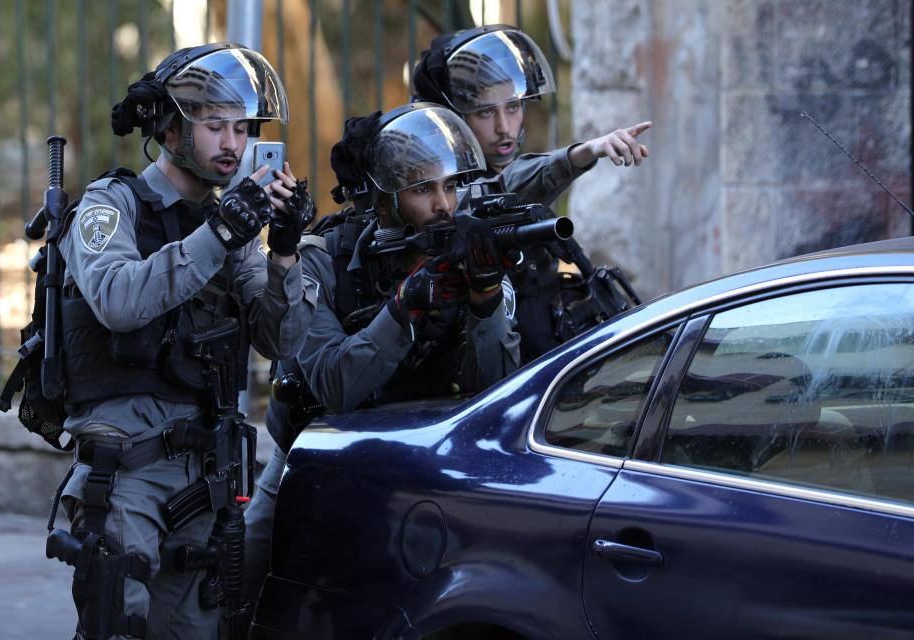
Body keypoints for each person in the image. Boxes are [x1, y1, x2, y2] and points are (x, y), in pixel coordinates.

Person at [54, 43, 316, 640]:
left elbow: (282, 339)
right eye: (216, 126)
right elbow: (119, 301)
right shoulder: (109, 205)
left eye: (243, 129)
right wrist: (222, 232)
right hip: (129, 470)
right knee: (118, 625)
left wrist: (284, 251)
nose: (233, 143)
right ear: (171, 129)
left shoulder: (234, 226)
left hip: (208, 477)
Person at [241, 102, 521, 618]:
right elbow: (333, 387)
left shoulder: (473, 254)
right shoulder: (322, 258)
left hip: (422, 465)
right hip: (307, 462)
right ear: (386, 201)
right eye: (422, 189)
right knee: (240, 581)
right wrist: (404, 306)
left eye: (451, 186)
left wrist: (484, 303)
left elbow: (498, 394)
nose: (444, 205)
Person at [412, 25, 651, 362]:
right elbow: (506, 188)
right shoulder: (438, 195)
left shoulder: (500, 168)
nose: (504, 127)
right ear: (454, 119)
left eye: (512, 106)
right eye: (485, 112)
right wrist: (582, 153)